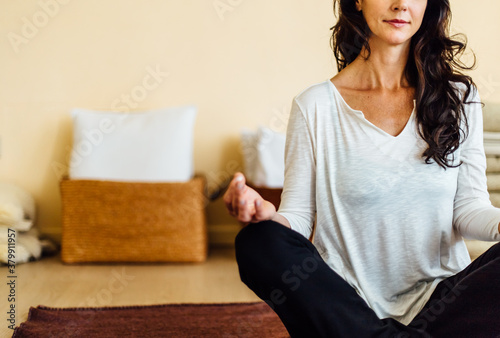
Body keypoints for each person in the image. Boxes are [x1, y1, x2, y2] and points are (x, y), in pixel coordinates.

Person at [224, 0, 500, 337]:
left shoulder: (459, 96)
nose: (400, 4)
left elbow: (468, 209)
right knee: (257, 242)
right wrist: (266, 216)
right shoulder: (316, 106)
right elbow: (297, 217)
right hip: (349, 308)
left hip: (442, 307)